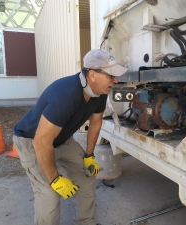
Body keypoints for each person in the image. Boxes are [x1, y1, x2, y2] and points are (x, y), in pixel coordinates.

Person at [13, 49, 128, 225]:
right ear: (92, 75)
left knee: (87, 175)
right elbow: (41, 141)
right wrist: (55, 178)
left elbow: (96, 123)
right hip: (32, 142)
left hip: (62, 139)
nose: (116, 80)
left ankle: (85, 222)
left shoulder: (100, 93)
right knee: (50, 193)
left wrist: (89, 156)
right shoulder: (65, 95)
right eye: (111, 75)